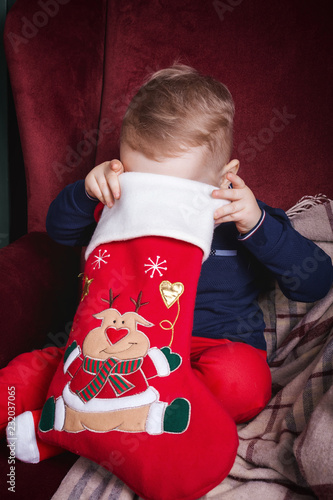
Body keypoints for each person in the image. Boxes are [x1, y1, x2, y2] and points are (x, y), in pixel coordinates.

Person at [1, 65, 332, 462]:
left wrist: (256, 225)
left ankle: (73, 427)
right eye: (145, 186)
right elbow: (58, 231)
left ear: (225, 180)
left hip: (211, 352)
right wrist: (88, 191)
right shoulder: (115, 199)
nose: (158, 204)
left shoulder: (240, 215)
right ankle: (100, 413)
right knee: (18, 380)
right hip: (112, 352)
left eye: (178, 193)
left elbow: (313, 283)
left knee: (242, 384)